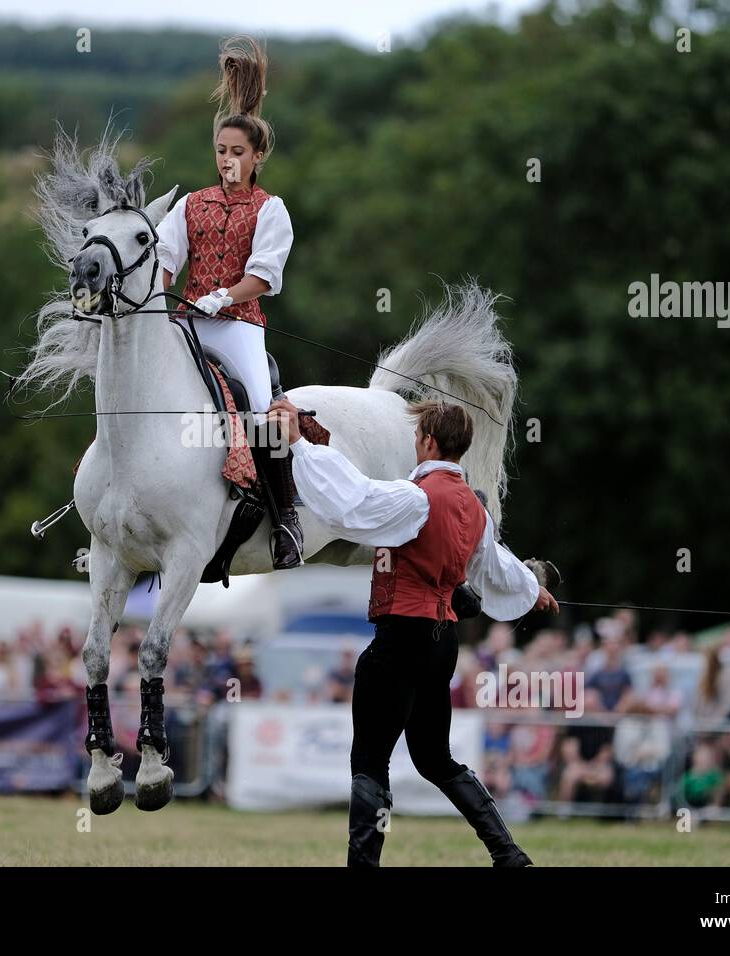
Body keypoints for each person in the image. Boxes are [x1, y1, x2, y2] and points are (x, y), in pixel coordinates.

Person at [268, 396, 558, 866]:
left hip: (402, 637)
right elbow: (499, 568)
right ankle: (508, 854)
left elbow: (352, 502)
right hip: (441, 642)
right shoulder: (473, 507)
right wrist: (532, 591)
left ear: (427, 441)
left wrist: (300, 445)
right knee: (434, 759)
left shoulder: (417, 497)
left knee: (369, 763)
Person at [155, 36, 301, 568]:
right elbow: (166, 257)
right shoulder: (191, 203)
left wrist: (220, 297)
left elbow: (263, 276)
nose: (227, 160)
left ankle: (288, 519)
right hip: (187, 322)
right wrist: (162, 293)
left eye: (238, 152)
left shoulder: (271, 209)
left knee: (263, 417)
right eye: (221, 151)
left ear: (257, 156)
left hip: (238, 326)